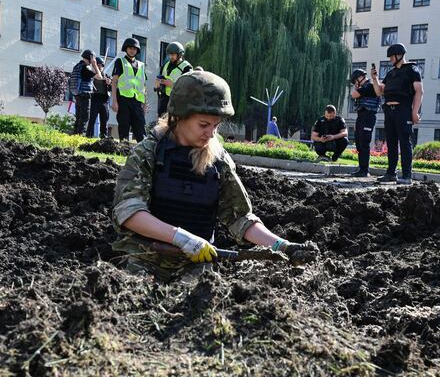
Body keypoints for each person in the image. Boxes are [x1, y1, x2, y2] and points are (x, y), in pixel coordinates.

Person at [111, 71, 314, 282]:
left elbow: (240, 217)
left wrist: (281, 246)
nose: (210, 134)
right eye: (203, 125)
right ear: (179, 116)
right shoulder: (149, 152)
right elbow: (129, 211)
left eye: (216, 126)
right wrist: (181, 237)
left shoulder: (217, 159)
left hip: (195, 265)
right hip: (143, 258)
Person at [371, 43, 423, 185]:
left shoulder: (412, 70)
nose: (390, 60)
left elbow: (419, 91)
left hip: (403, 110)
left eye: (391, 57)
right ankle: (391, 173)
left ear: (399, 55)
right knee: (392, 143)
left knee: (405, 142)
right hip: (389, 111)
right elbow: (379, 91)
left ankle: (407, 175)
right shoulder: (391, 73)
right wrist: (375, 79)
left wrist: (414, 112)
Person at [112, 38, 148, 142]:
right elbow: (114, 82)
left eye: (134, 48)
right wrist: (114, 101)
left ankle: (144, 152)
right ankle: (124, 151)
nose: (132, 50)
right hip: (123, 99)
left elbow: (144, 85)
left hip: (137, 101)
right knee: (124, 126)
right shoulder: (120, 62)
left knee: (140, 127)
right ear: (126, 49)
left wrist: (145, 103)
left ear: (137, 50)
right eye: (130, 48)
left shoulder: (141, 65)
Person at [349, 68, 382, 177]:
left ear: (359, 78)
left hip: (368, 116)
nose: (355, 83)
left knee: (364, 142)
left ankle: (364, 170)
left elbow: (354, 94)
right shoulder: (364, 87)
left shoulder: (369, 86)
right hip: (361, 116)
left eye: (355, 81)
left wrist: (357, 88)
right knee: (359, 142)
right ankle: (361, 168)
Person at [156, 41, 193, 118]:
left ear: (180, 55)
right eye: (169, 55)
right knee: (161, 125)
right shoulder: (165, 65)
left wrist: (173, 85)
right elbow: (160, 77)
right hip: (164, 101)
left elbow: (189, 88)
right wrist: (158, 84)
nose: (170, 57)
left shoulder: (186, 67)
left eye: (173, 55)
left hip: (177, 103)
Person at [70, 49, 102, 136]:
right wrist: (95, 65)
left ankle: (75, 135)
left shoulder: (77, 66)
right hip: (85, 95)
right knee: (84, 117)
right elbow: (99, 76)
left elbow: (85, 79)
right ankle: (80, 136)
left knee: (78, 117)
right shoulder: (85, 68)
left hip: (77, 94)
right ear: (91, 58)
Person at [86, 56, 111, 138]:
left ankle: (104, 135)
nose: (100, 67)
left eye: (101, 65)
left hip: (104, 99)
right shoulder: (92, 75)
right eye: (98, 65)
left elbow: (111, 88)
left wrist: (109, 83)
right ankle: (89, 135)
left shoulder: (106, 76)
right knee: (92, 118)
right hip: (95, 98)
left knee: (104, 119)